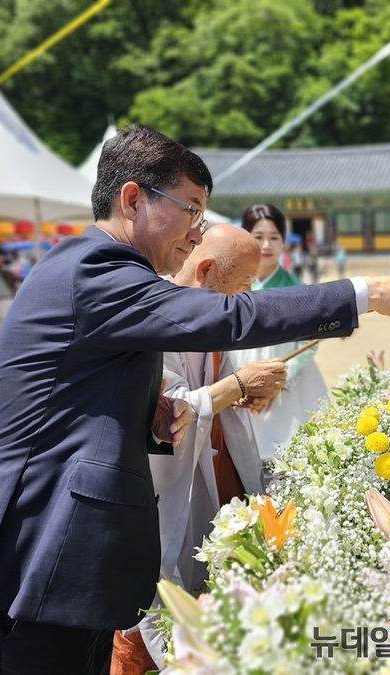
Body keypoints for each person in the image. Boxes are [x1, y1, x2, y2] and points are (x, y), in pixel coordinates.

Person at [0, 124, 390, 675]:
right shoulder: (98, 268)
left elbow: (71, 405)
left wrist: (154, 414)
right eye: (191, 210)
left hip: (62, 571)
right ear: (133, 198)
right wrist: (366, 294)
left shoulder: (100, 270)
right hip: (23, 567)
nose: (195, 233)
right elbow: (230, 315)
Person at [111, 224, 286, 673]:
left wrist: (245, 394)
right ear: (206, 270)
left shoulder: (211, 313)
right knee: (153, 603)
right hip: (159, 483)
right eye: (244, 282)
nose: (248, 294)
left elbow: (219, 386)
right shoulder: (154, 313)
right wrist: (239, 384)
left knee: (202, 586)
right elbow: (169, 411)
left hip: (212, 465)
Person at [223, 204, 328, 478]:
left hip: (287, 379)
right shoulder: (230, 286)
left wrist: (278, 382)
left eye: (274, 237)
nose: (266, 245)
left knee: (286, 460)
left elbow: (310, 341)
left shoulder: (297, 288)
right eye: (258, 236)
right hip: (237, 374)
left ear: (283, 241)